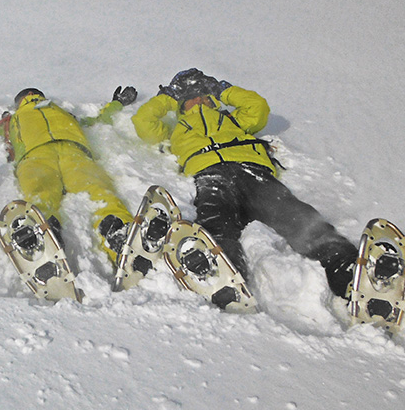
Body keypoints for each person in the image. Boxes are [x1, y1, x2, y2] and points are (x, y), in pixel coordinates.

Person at [131, 68, 356, 297]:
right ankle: (226, 277)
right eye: (191, 98)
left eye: (204, 96)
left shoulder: (233, 120)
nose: (199, 101)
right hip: (210, 174)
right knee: (216, 220)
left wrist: (222, 90)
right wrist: (168, 97)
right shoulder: (176, 131)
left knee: (293, 214)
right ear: (180, 106)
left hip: (253, 171)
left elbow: (258, 108)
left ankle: (345, 266)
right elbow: (143, 122)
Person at [0, 86, 138, 264]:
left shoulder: (14, 119)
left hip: (35, 156)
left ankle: (43, 234)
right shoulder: (57, 113)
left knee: (40, 194)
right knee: (97, 190)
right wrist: (117, 104)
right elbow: (98, 119)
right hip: (74, 152)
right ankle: (117, 231)